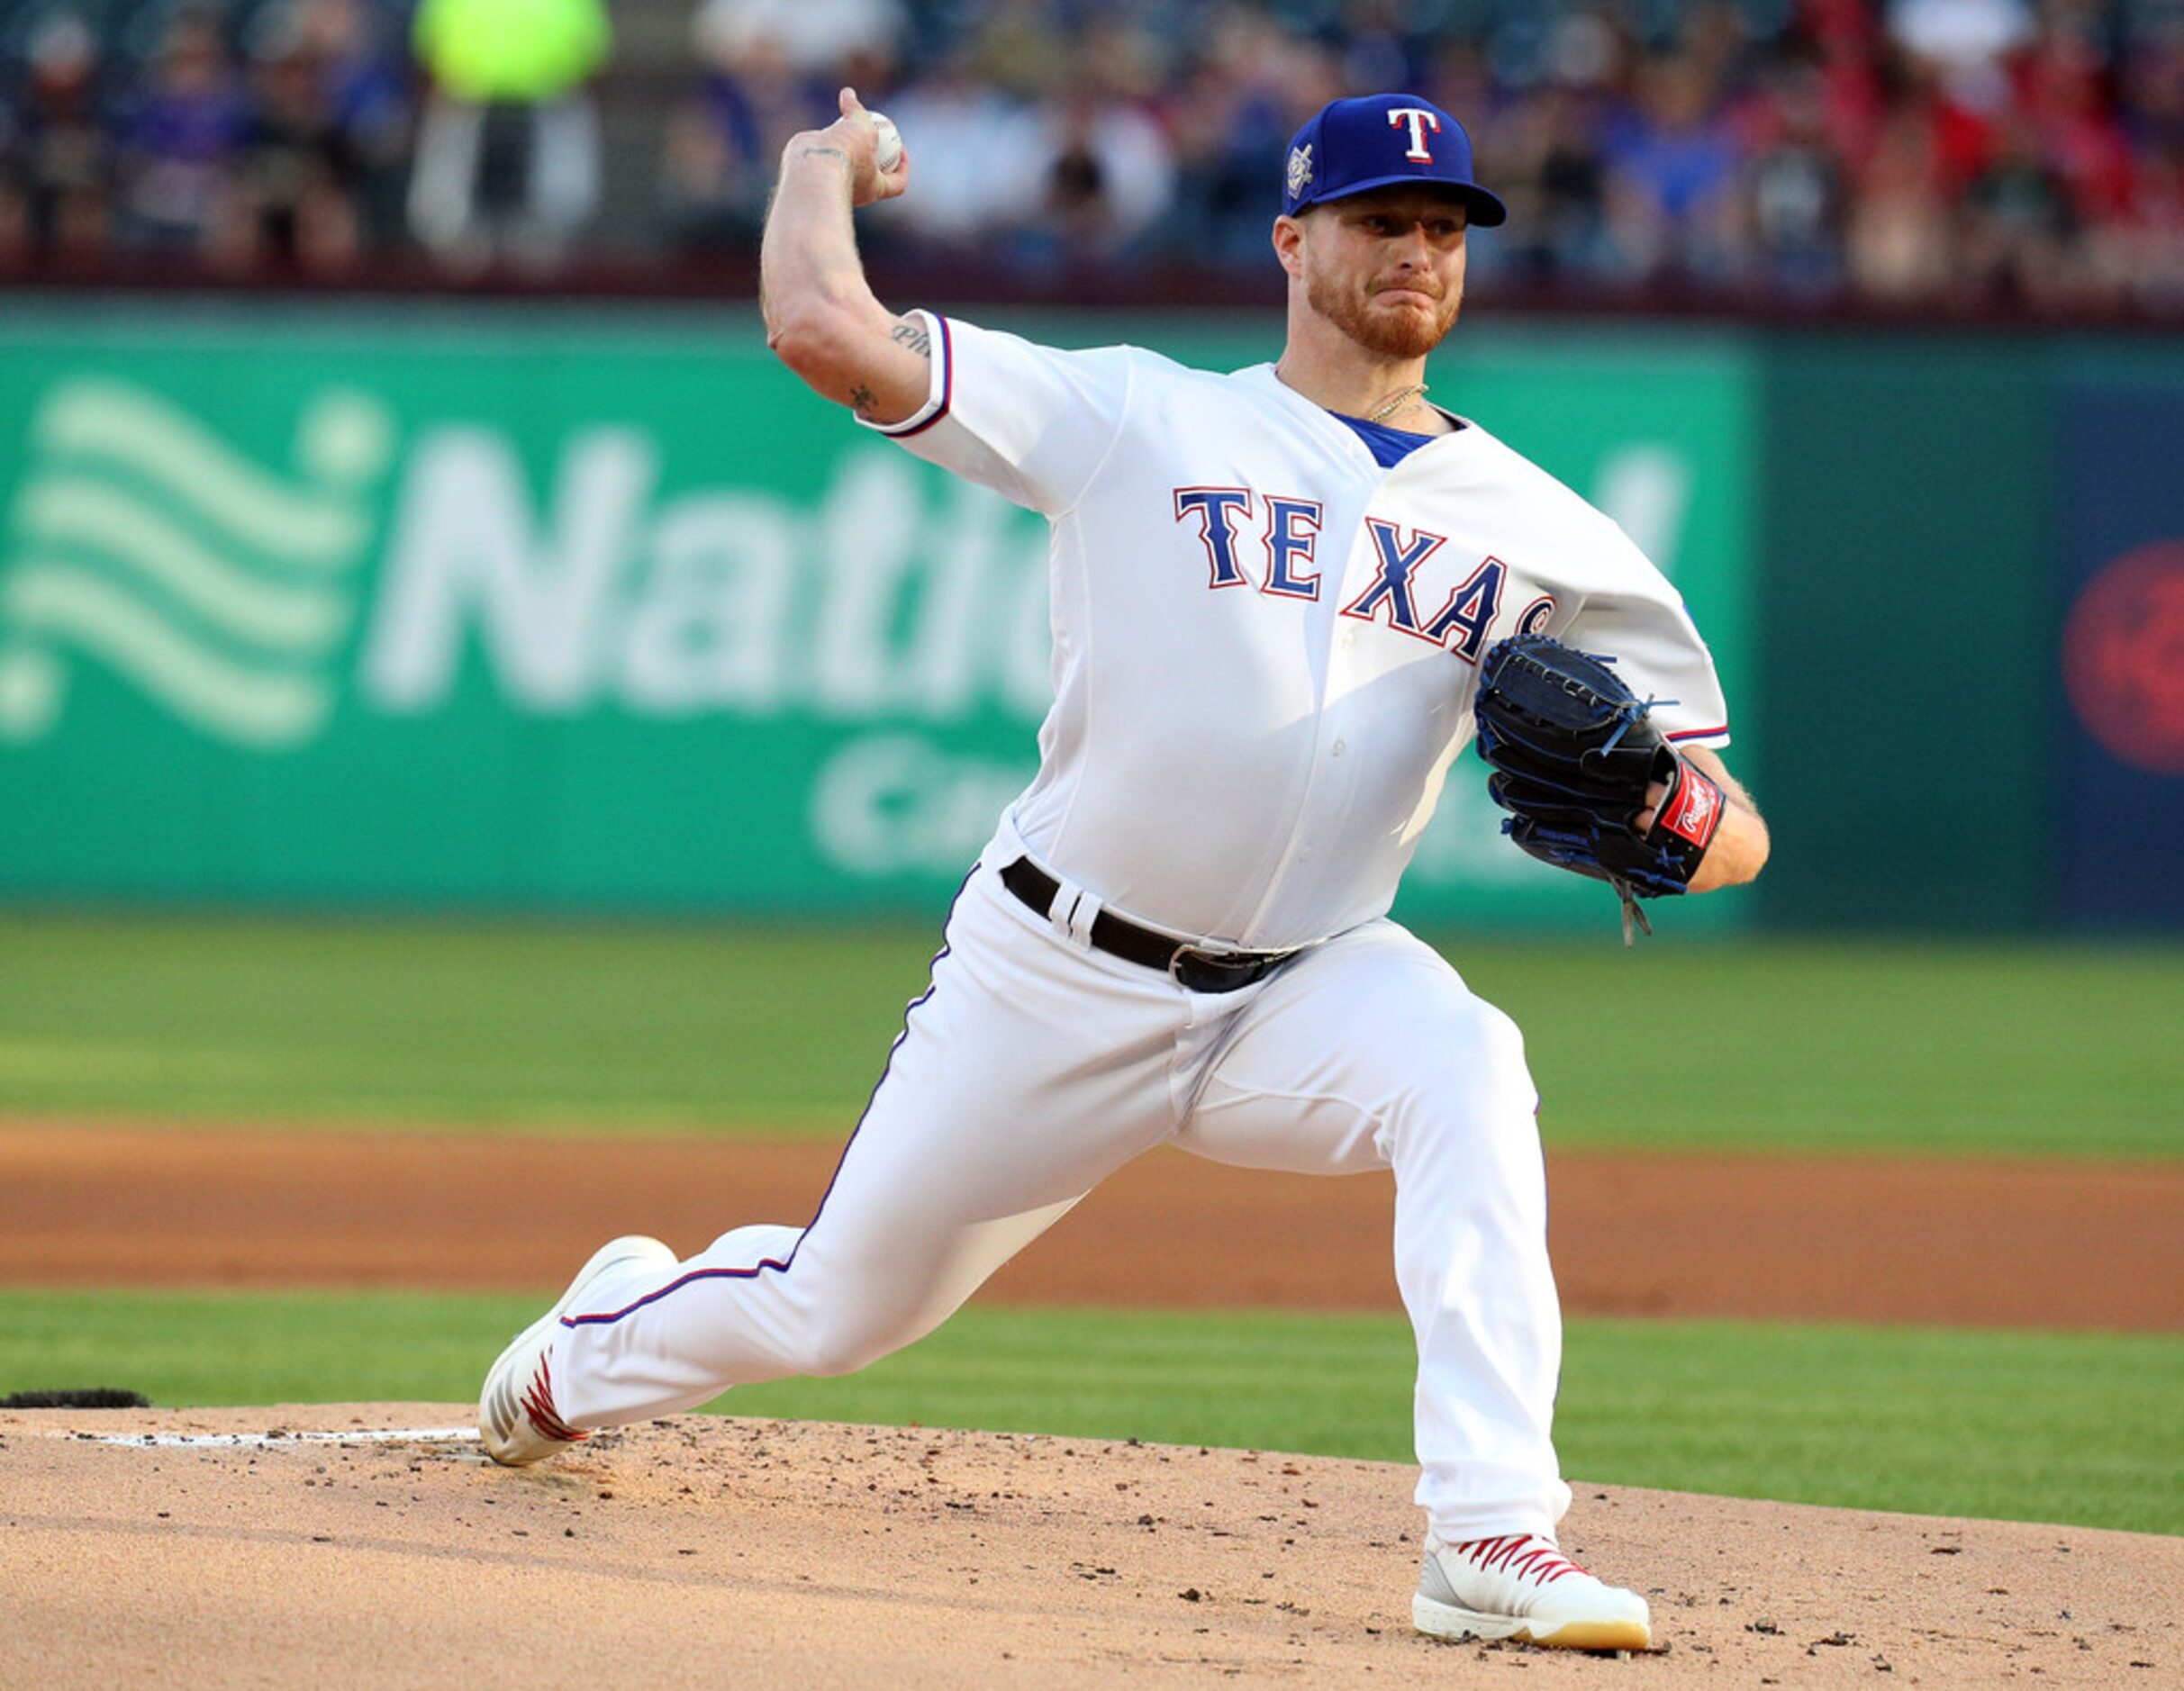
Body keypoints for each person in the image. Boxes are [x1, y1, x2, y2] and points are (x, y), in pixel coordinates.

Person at [481, 88, 1770, 1655]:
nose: (1416, 251)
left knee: (1470, 1069)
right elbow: (824, 327)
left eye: (1442, 228)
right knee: (834, 1310)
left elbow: (1729, 820)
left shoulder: (1543, 532)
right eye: (1380, 220)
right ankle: (579, 1352)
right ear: (1292, 238)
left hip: (1308, 979)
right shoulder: (1141, 418)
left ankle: (1490, 1532)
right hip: (1055, 972)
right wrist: (819, 166)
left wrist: (1673, 818)